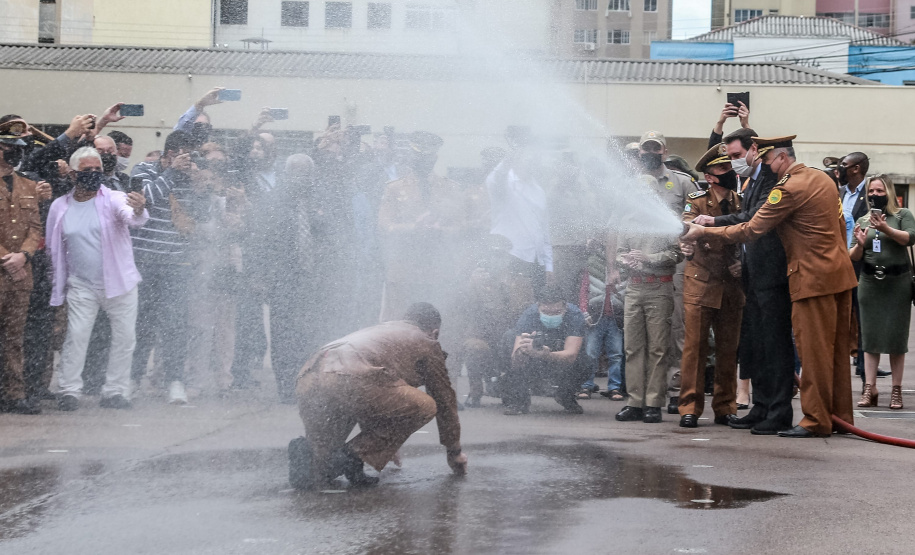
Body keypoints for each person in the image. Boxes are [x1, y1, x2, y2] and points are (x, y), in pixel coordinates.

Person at [683, 135, 858, 438]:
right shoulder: (821, 178)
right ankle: (839, 415)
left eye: (766, 159)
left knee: (813, 353)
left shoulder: (787, 187)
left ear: (781, 157)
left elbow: (752, 228)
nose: (764, 166)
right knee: (836, 353)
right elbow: (841, 226)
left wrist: (704, 230)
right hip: (838, 272)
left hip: (810, 277)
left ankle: (816, 420)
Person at [290, 303, 467, 490]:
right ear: (435, 332)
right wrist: (454, 452)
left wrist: (385, 444)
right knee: (426, 405)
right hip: (350, 379)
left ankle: (309, 456)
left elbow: (373, 398)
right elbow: (444, 400)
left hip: (310, 376)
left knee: (322, 459)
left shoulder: (381, 330)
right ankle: (351, 458)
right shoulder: (427, 341)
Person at [694, 131, 795, 435]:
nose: (735, 162)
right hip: (753, 276)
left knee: (775, 345)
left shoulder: (770, 177)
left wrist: (712, 223)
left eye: (737, 156)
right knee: (755, 345)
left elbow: (753, 218)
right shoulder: (751, 179)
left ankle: (778, 412)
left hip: (772, 275)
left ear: (754, 149)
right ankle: (761, 407)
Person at [46, 147, 148, 411]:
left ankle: (116, 391)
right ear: (72, 174)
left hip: (120, 283)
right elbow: (53, 248)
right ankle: (69, 390)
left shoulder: (113, 198)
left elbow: (132, 218)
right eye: (87, 170)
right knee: (76, 336)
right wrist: (57, 285)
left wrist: (138, 210)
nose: (93, 174)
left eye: (97, 169)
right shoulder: (59, 206)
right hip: (81, 285)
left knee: (125, 338)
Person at [677, 144, 743, 428]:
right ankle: (689, 407)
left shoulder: (742, 201)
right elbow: (687, 227)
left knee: (728, 348)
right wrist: (686, 242)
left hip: (732, 284)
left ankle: (725, 406)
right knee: (695, 348)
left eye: (731, 167)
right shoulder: (697, 200)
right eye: (724, 168)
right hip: (701, 282)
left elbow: (750, 234)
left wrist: (743, 263)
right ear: (710, 176)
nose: (730, 172)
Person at [129, 130, 196, 404]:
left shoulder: (191, 175)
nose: (189, 161)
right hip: (143, 261)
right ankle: (133, 378)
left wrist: (200, 184)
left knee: (176, 325)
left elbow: (199, 215)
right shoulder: (143, 169)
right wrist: (171, 173)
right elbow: (145, 198)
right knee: (141, 324)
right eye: (185, 156)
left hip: (178, 262)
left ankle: (175, 381)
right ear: (170, 154)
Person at [636, 131, 699, 415]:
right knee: (641, 334)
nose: (651, 153)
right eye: (646, 148)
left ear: (664, 151)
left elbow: (694, 219)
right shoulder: (630, 184)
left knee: (676, 327)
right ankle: (644, 395)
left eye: (656, 148)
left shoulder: (683, 183)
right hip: (639, 266)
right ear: (640, 152)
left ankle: (676, 390)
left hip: (676, 266)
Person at [849, 175, 915, 410]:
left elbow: (910, 238)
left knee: (897, 338)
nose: (875, 195)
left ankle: (896, 390)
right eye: (871, 191)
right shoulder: (863, 219)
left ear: (889, 192)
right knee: (870, 338)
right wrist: (859, 243)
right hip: (870, 283)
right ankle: (870, 388)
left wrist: (885, 228)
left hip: (897, 283)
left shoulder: (902, 215)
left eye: (879, 190)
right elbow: (853, 255)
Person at [0, 120, 43, 414]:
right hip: (6, 267)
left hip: (20, 274)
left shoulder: (28, 185)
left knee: (14, 337)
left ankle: (14, 393)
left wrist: (24, 256)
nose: (14, 151)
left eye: (17, 146)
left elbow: (35, 228)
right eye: (7, 146)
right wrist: (8, 258)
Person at [485, 126, 552, 301]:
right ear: (517, 158)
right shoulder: (504, 183)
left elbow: (544, 232)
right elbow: (496, 177)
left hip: (536, 261)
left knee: (535, 305)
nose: (534, 160)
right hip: (511, 258)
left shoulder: (538, 190)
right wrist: (512, 154)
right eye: (529, 156)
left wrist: (549, 266)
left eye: (536, 157)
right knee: (509, 305)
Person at [502, 285, 588, 415]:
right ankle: (519, 400)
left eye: (556, 312)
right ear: (538, 306)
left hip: (560, 360)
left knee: (586, 362)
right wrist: (522, 352)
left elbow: (571, 355)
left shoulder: (574, 315)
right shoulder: (529, 315)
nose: (550, 316)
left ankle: (565, 395)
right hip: (533, 361)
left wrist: (546, 355)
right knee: (509, 337)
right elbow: (515, 361)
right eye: (546, 312)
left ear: (565, 307)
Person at [838, 152, 871, 385]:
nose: (840, 168)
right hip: (839, 259)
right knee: (842, 312)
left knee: (861, 313)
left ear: (856, 168)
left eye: (844, 165)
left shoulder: (870, 194)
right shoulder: (838, 192)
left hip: (861, 260)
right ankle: (845, 357)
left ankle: (864, 364)